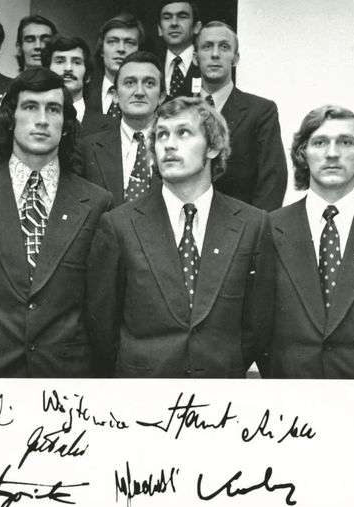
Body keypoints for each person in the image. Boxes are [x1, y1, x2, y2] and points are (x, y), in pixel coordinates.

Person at [0, 67, 113, 377]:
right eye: (30, 107)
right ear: (10, 118)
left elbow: (101, 311)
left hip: (66, 382)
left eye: (53, 109)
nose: (42, 119)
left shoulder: (96, 202)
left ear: (66, 124)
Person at [87, 97, 275, 378]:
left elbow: (257, 328)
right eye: (162, 135)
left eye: (183, 133)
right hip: (143, 391)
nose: (169, 145)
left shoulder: (252, 224)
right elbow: (102, 329)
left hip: (220, 392)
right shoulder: (119, 225)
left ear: (212, 147)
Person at [262, 105, 354, 379]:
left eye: (345, 142)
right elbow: (257, 329)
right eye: (320, 142)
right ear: (303, 153)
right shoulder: (267, 228)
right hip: (290, 394)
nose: (332, 153)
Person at [194, 22, 287, 211]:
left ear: (235, 58)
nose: (215, 54)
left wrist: (258, 226)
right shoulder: (180, 111)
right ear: (196, 58)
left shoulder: (261, 111)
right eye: (207, 46)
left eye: (224, 47)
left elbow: (273, 178)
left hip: (241, 223)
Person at [80, 51, 165, 206]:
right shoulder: (87, 149)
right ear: (115, 95)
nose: (139, 92)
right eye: (130, 83)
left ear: (161, 96)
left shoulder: (176, 147)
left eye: (149, 83)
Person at [41, 34, 116, 137]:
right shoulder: (34, 121)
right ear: (46, 72)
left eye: (76, 62)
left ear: (88, 76)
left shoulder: (111, 126)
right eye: (60, 61)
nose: (68, 68)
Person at [87, 13, 145, 117]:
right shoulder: (83, 94)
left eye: (129, 43)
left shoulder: (150, 97)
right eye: (113, 41)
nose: (121, 49)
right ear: (102, 49)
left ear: (139, 50)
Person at [158, 1, 202, 100]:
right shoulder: (153, 65)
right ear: (160, 29)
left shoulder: (206, 64)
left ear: (196, 27)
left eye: (182, 17)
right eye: (167, 18)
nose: (174, 23)